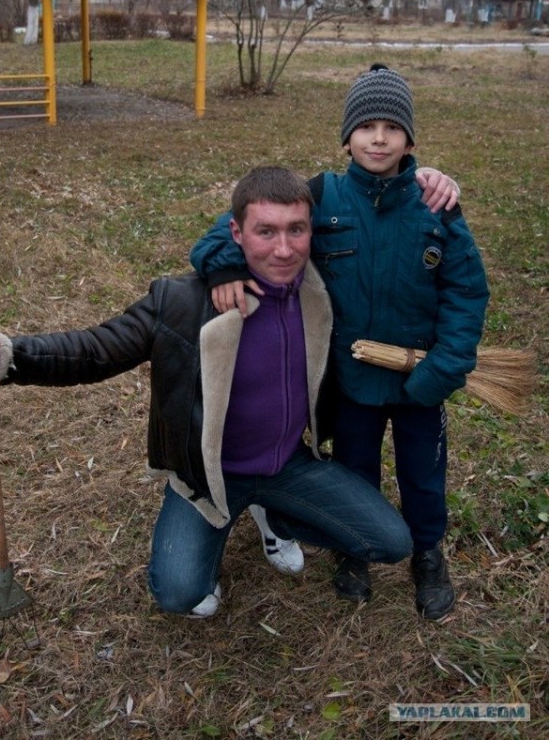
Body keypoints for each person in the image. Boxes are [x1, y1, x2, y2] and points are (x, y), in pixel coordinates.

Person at [0, 166, 413, 619]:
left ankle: (275, 515)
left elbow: (385, 231)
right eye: (265, 231)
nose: (283, 249)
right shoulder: (179, 303)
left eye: (297, 230)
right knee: (179, 594)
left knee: (391, 542)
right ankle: (219, 526)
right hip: (209, 476)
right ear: (235, 232)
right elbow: (97, 349)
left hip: (288, 464)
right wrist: (13, 357)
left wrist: (424, 179)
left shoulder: (323, 292)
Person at [190, 67, 490, 620]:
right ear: (346, 136)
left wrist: (443, 370)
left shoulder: (435, 206)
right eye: (367, 126)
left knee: (423, 474)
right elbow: (231, 229)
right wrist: (221, 268)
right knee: (355, 467)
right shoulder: (322, 197)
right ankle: (355, 551)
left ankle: (428, 553)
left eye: (392, 128)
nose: (379, 138)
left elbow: (467, 291)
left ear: (410, 139)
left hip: (421, 379)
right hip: (351, 381)